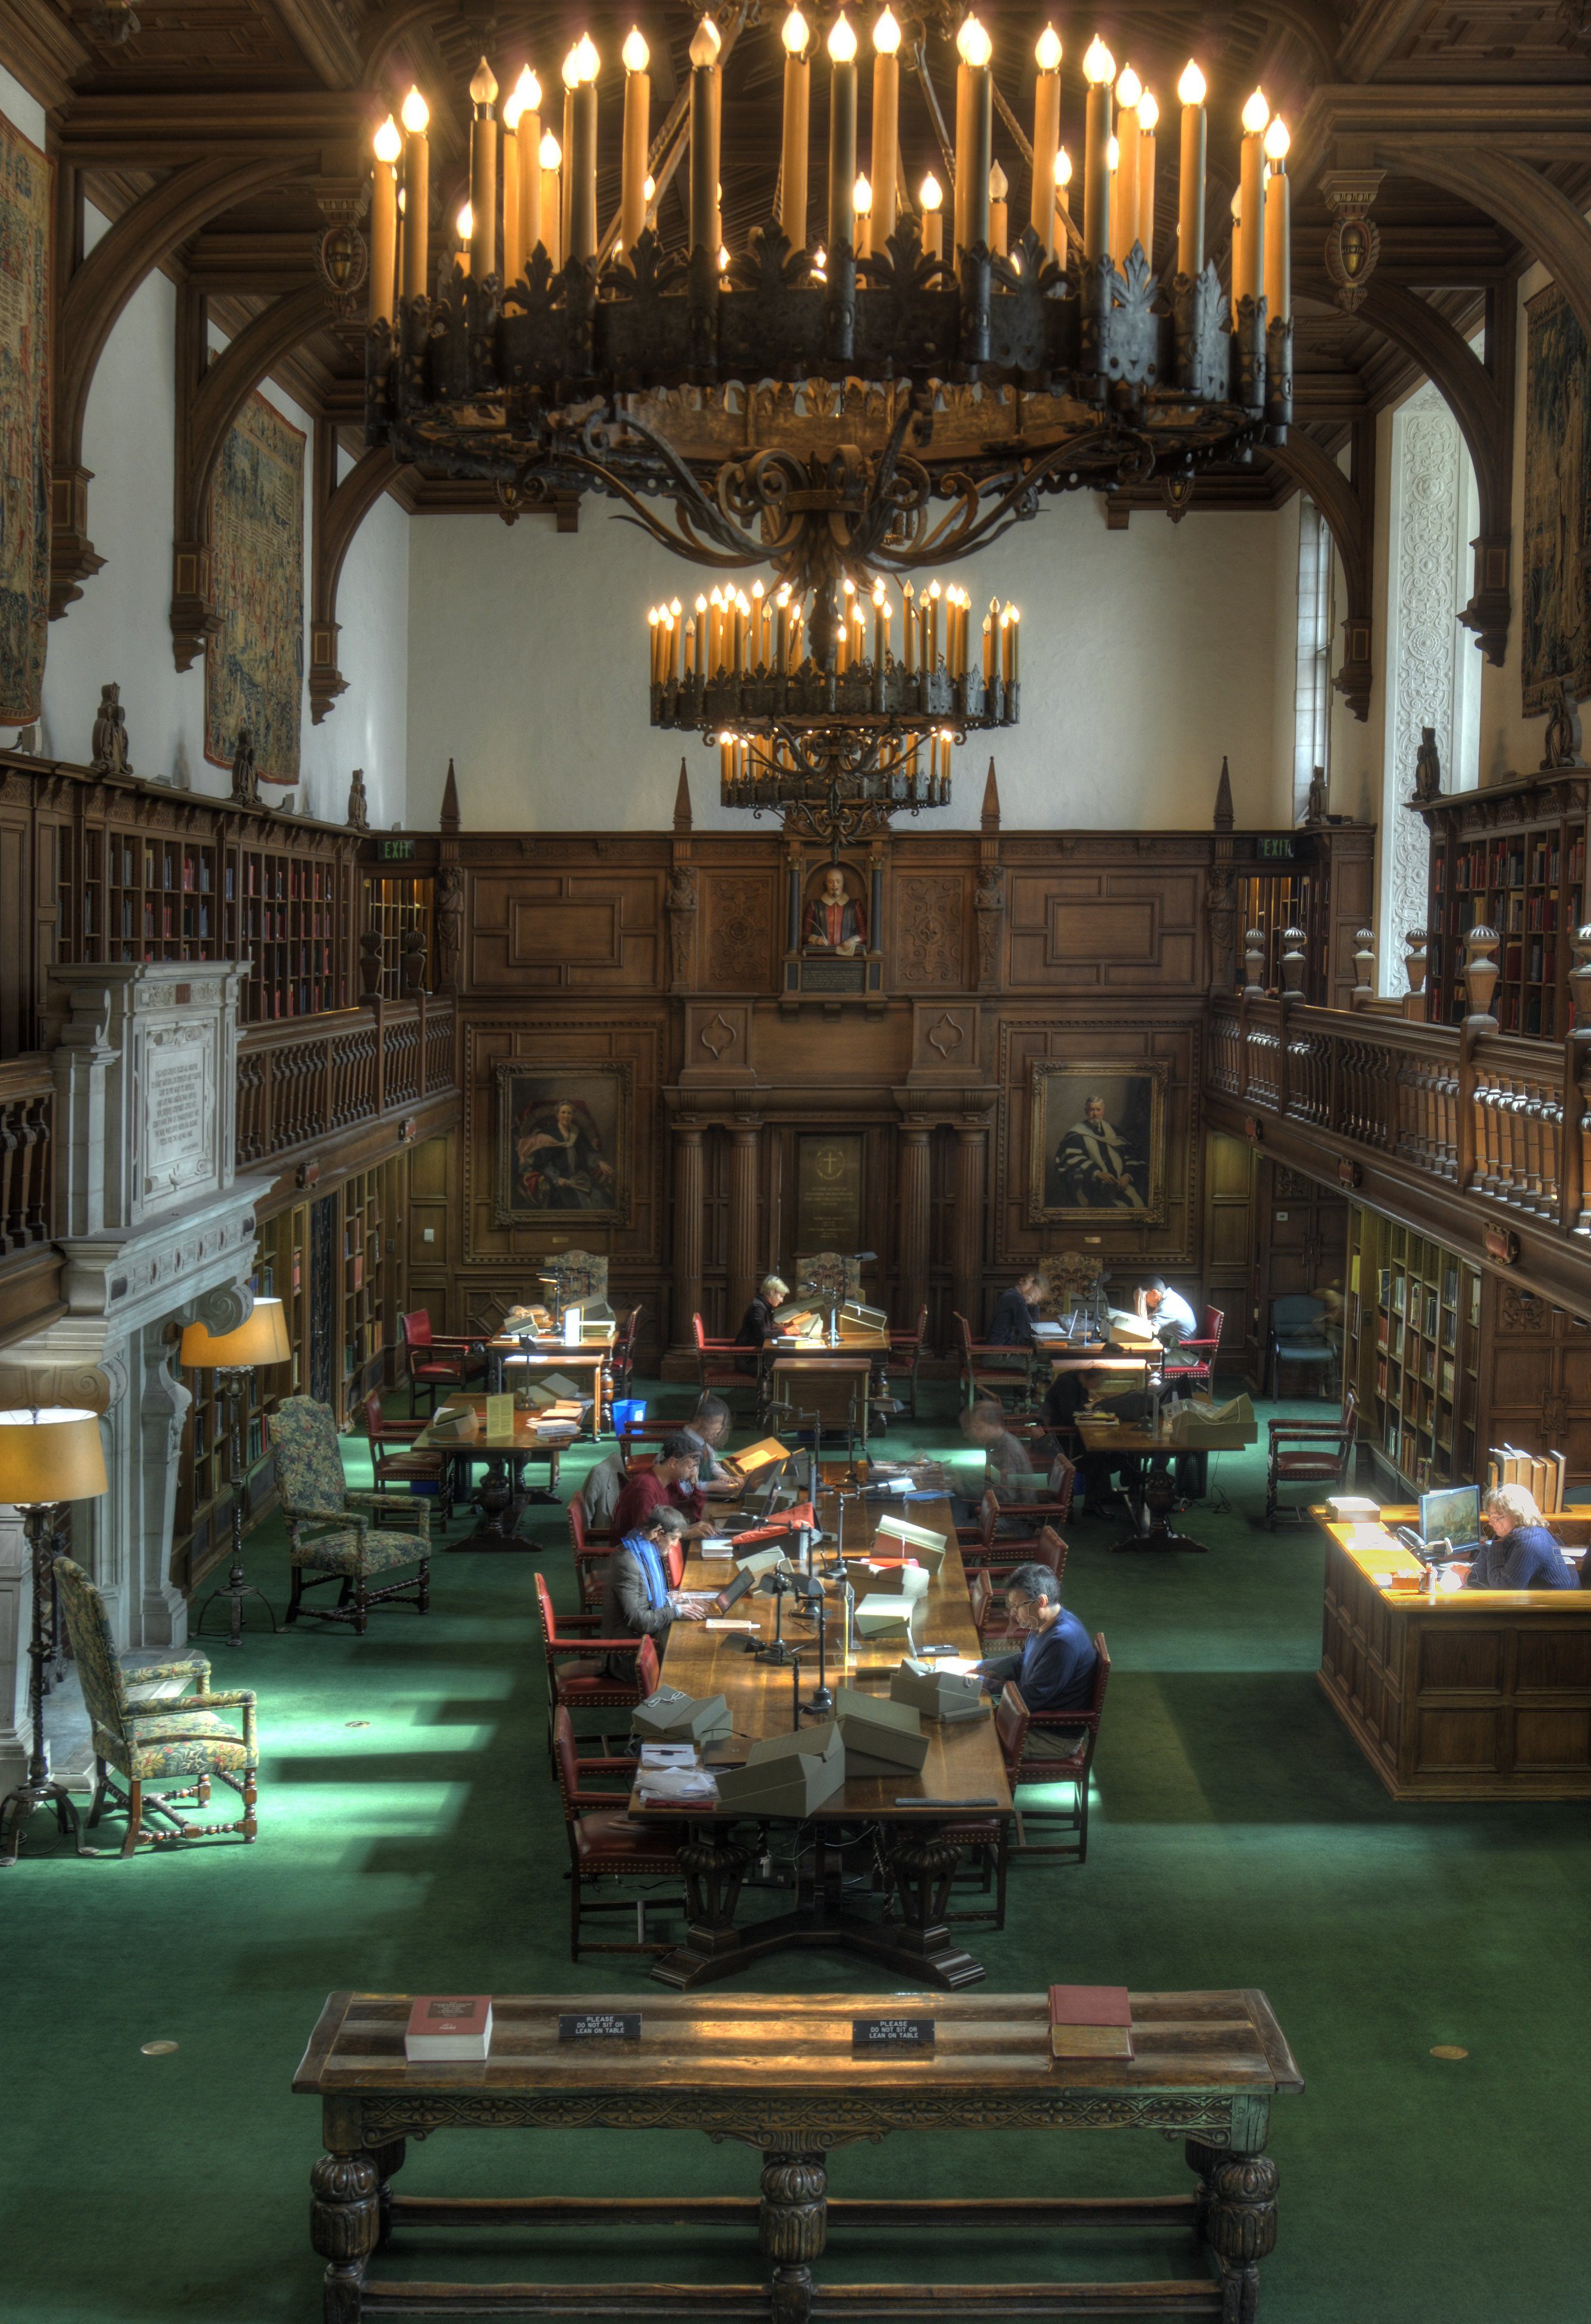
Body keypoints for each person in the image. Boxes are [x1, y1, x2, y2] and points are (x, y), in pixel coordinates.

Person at [974, 1561, 1098, 1716]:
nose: (1013, 1613)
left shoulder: (1062, 1643)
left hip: (1047, 1732)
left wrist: (980, 1682)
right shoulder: (1044, 1622)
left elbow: (1029, 1699)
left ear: (1041, 1602)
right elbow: (1024, 1661)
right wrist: (979, 1665)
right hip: (1030, 1708)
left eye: (1017, 1606)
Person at [601, 1509, 707, 1678]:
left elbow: (649, 1601)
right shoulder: (629, 1564)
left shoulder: (646, 1551)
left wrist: (672, 1600)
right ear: (658, 1534)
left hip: (649, 1639)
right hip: (632, 1656)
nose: (675, 1545)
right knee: (695, 1655)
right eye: (673, 1539)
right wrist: (676, 1612)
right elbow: (640, 1622)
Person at [1461, 1484, 1578, 1591]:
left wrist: (1467, 1576)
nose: (1491, 1523)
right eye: (1490, 1516)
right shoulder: (1519, 1534)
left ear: (1516, 1515)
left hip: (1558, 1610)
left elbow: (1504, 1589)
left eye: (1496, 1517)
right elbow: (1494, 1572)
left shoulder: (1529, 1543)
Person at [1052, 1094, 1146, 1211]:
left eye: (1098, 1110)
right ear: (1086, 1111)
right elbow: (1072, 1159)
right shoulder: (1076, 1134)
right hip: (1093, 1189)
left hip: (1121, 1186)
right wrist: (1098, 1174)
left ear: (1103, 1111)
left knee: (1136, 1207)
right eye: (1092, 1110)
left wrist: (1127, 1176)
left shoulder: (1114, 1132)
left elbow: (1131, 1155)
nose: (1095, 1113)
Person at [611, 1434, 709, 1541]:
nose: (695, 1471)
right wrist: (686, 1533)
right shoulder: (645, 1490)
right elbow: (647, 1536)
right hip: (635, 1553)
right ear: (673, 1463)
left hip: (661, 1547)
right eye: (692, 1466)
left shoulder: (671, 1482)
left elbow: (688, 1516)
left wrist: (695, 1484)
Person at [957, 1399, 1035, 1520]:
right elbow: (993, 1484)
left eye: (979, 1427)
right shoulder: (994, 1443)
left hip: (1013, 1519)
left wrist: (965, 1492)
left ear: (996, 1425)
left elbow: (1006, 1498)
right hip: (999, 1509)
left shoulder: (1008, 1450)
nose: (974, 1433)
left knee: (956, 1517)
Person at [679, 1393, 742, 1501]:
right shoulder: (680, 1445)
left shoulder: (703, 1442)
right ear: (700, 1420)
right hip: (687, 1501)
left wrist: (723, 1476)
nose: (719, 1429)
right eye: (717, 1423)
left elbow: (711, 1464)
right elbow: (681, 1486)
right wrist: (710, 1486)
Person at [803, 865, 867, 954]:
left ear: (843, 883)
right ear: (825, 884)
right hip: (821, 955)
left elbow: (865, 934)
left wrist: (853, 940)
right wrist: (816, 939)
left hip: (847, 956)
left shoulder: (855, 906)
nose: (835, 886)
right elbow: (804, 934)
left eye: (838, 881)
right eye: (831, 882)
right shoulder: (814, 906)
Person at [987, 1271, 1044, 1347]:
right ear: (1021, 1281)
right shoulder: (1016, 1299)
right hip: (1000, 1352)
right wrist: (1035, 1304)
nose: (1031, 1288)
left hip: (1002, 1347)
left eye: (1033, 1286)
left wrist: (1033, 1303)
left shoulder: (1012, 1293)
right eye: (1030, 1284)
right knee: (1043, 1359)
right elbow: (1031, 1332)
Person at [736, 1273, 790, 1350]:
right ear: (773, 1292)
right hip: (749, 1354)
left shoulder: (765, 1305)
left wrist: (780, 1327)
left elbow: (768, 1327)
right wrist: (786, 1331)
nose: (782, 1301)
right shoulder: (758, 1307)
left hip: (757, 1350)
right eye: (781, 1296)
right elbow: (764, 1334)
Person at [1137, 1277, 1198, 1345]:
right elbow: (1148, 1321)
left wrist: (1139, 1300)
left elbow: (1145, 1329)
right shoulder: (1170, 1297)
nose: (1145, 1302)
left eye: (1145, 1297)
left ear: (1155, 1293)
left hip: (1182, 1350)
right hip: (1174, 1344)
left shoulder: (1168, 1306)